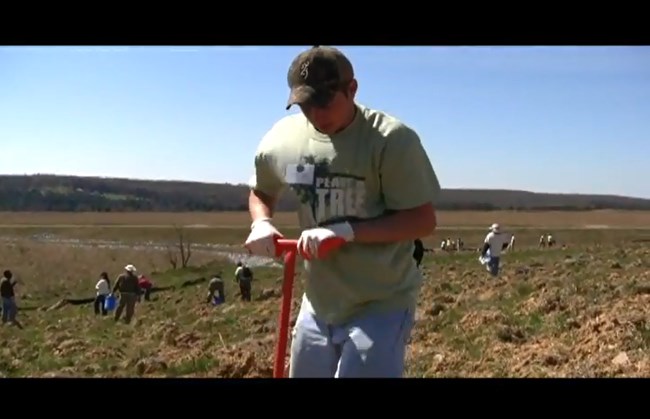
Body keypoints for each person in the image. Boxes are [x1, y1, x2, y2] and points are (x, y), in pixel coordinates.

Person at [244, 46, 441, 378]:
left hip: (381, 302)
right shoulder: (283, 140)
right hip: (319, 301)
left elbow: (422, 220)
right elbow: (261, 191)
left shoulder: (390, 141)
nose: (316, 114)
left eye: (324, 101)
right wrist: (261, 221)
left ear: (352, 89)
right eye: (306, 104)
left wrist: (349, 231)